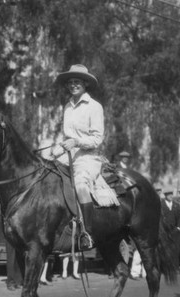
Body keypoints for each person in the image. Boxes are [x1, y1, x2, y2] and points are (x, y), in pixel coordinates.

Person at [55, 64, 104, 250]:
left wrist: (75, 142)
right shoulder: (67, 107)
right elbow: (67, 136)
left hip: (88, 157)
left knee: (81, 185)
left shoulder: (94, 107)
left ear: (85, 84)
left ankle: (87, 233)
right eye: (70, 82)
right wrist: (59, 147)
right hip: (68, 156)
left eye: (77, 82)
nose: (73, 85)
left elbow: (97, 139)